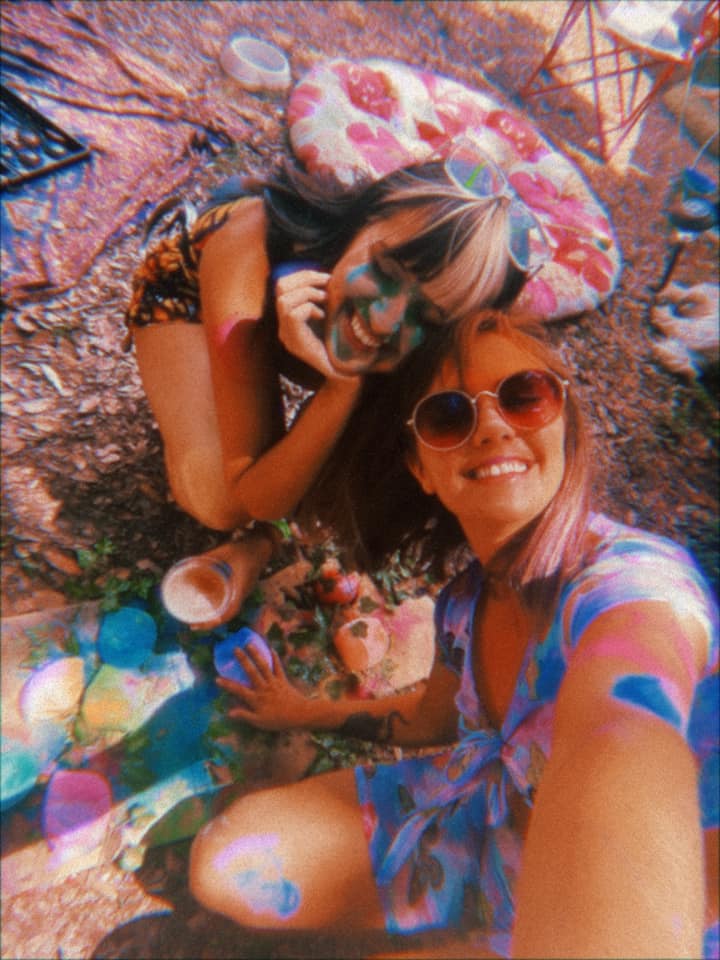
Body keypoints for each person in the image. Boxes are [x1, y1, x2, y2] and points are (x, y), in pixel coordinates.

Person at [188, 309, 718, 959]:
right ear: (420, 468)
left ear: (566, 425)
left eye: (526, 396)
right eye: (447, 415)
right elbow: (430, 719)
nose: (492, 426)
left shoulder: (634, 589)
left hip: (617, 913)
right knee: (227, 862)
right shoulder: (465, 604)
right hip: (474, 819)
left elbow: (626, 726)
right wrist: (299, 712)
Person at [125, 148, 531, 602]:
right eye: (387, 270)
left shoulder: (430, 351)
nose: (385, 319)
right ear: (368, 216)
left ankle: (270, 536)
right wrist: (326, 401)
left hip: (297, 326)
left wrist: (341, 390)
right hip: (192, 301)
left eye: (429, 316)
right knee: (220, 501)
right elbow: (256, 494)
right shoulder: (248, 248)